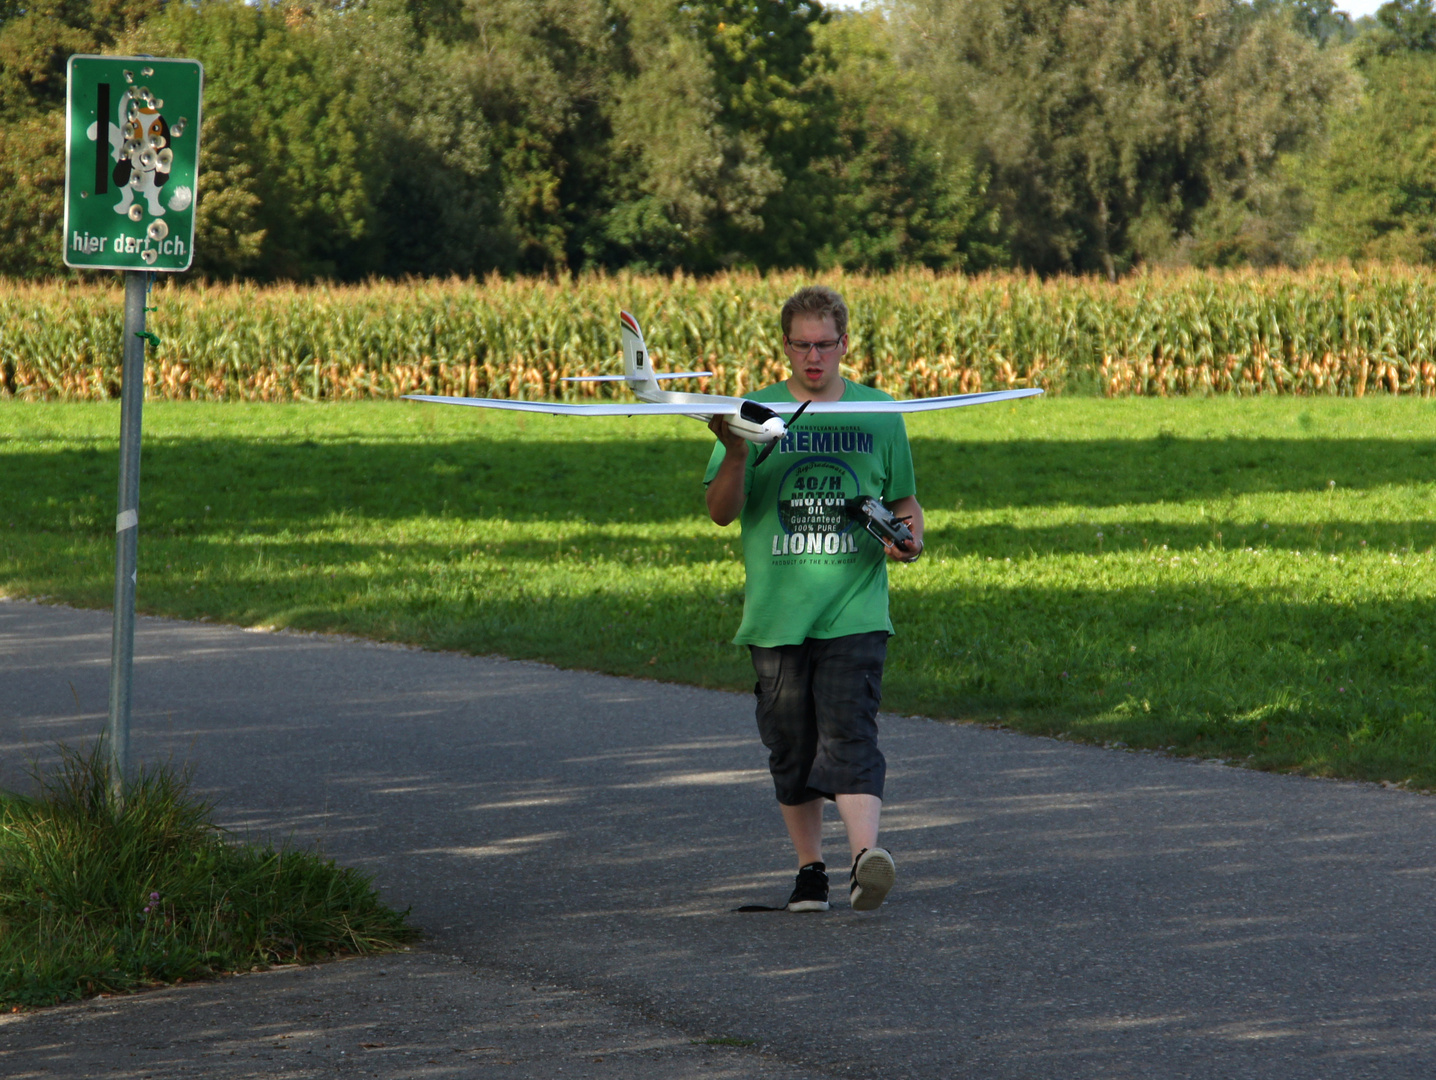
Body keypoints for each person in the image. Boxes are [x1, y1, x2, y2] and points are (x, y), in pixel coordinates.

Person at [703, 285, 924, 913]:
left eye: (825, 345)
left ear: (844, 344)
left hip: (855, 606)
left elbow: (905, 500)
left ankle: (864, 861)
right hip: (777, 613)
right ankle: (810, 871)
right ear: (786, 347)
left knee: (851, 730)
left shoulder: (879, 412)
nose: (813, 357)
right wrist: (738, 450)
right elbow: (721, 513)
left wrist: (909, 539)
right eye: (801, 345)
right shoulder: (751, 410)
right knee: (791, 746)